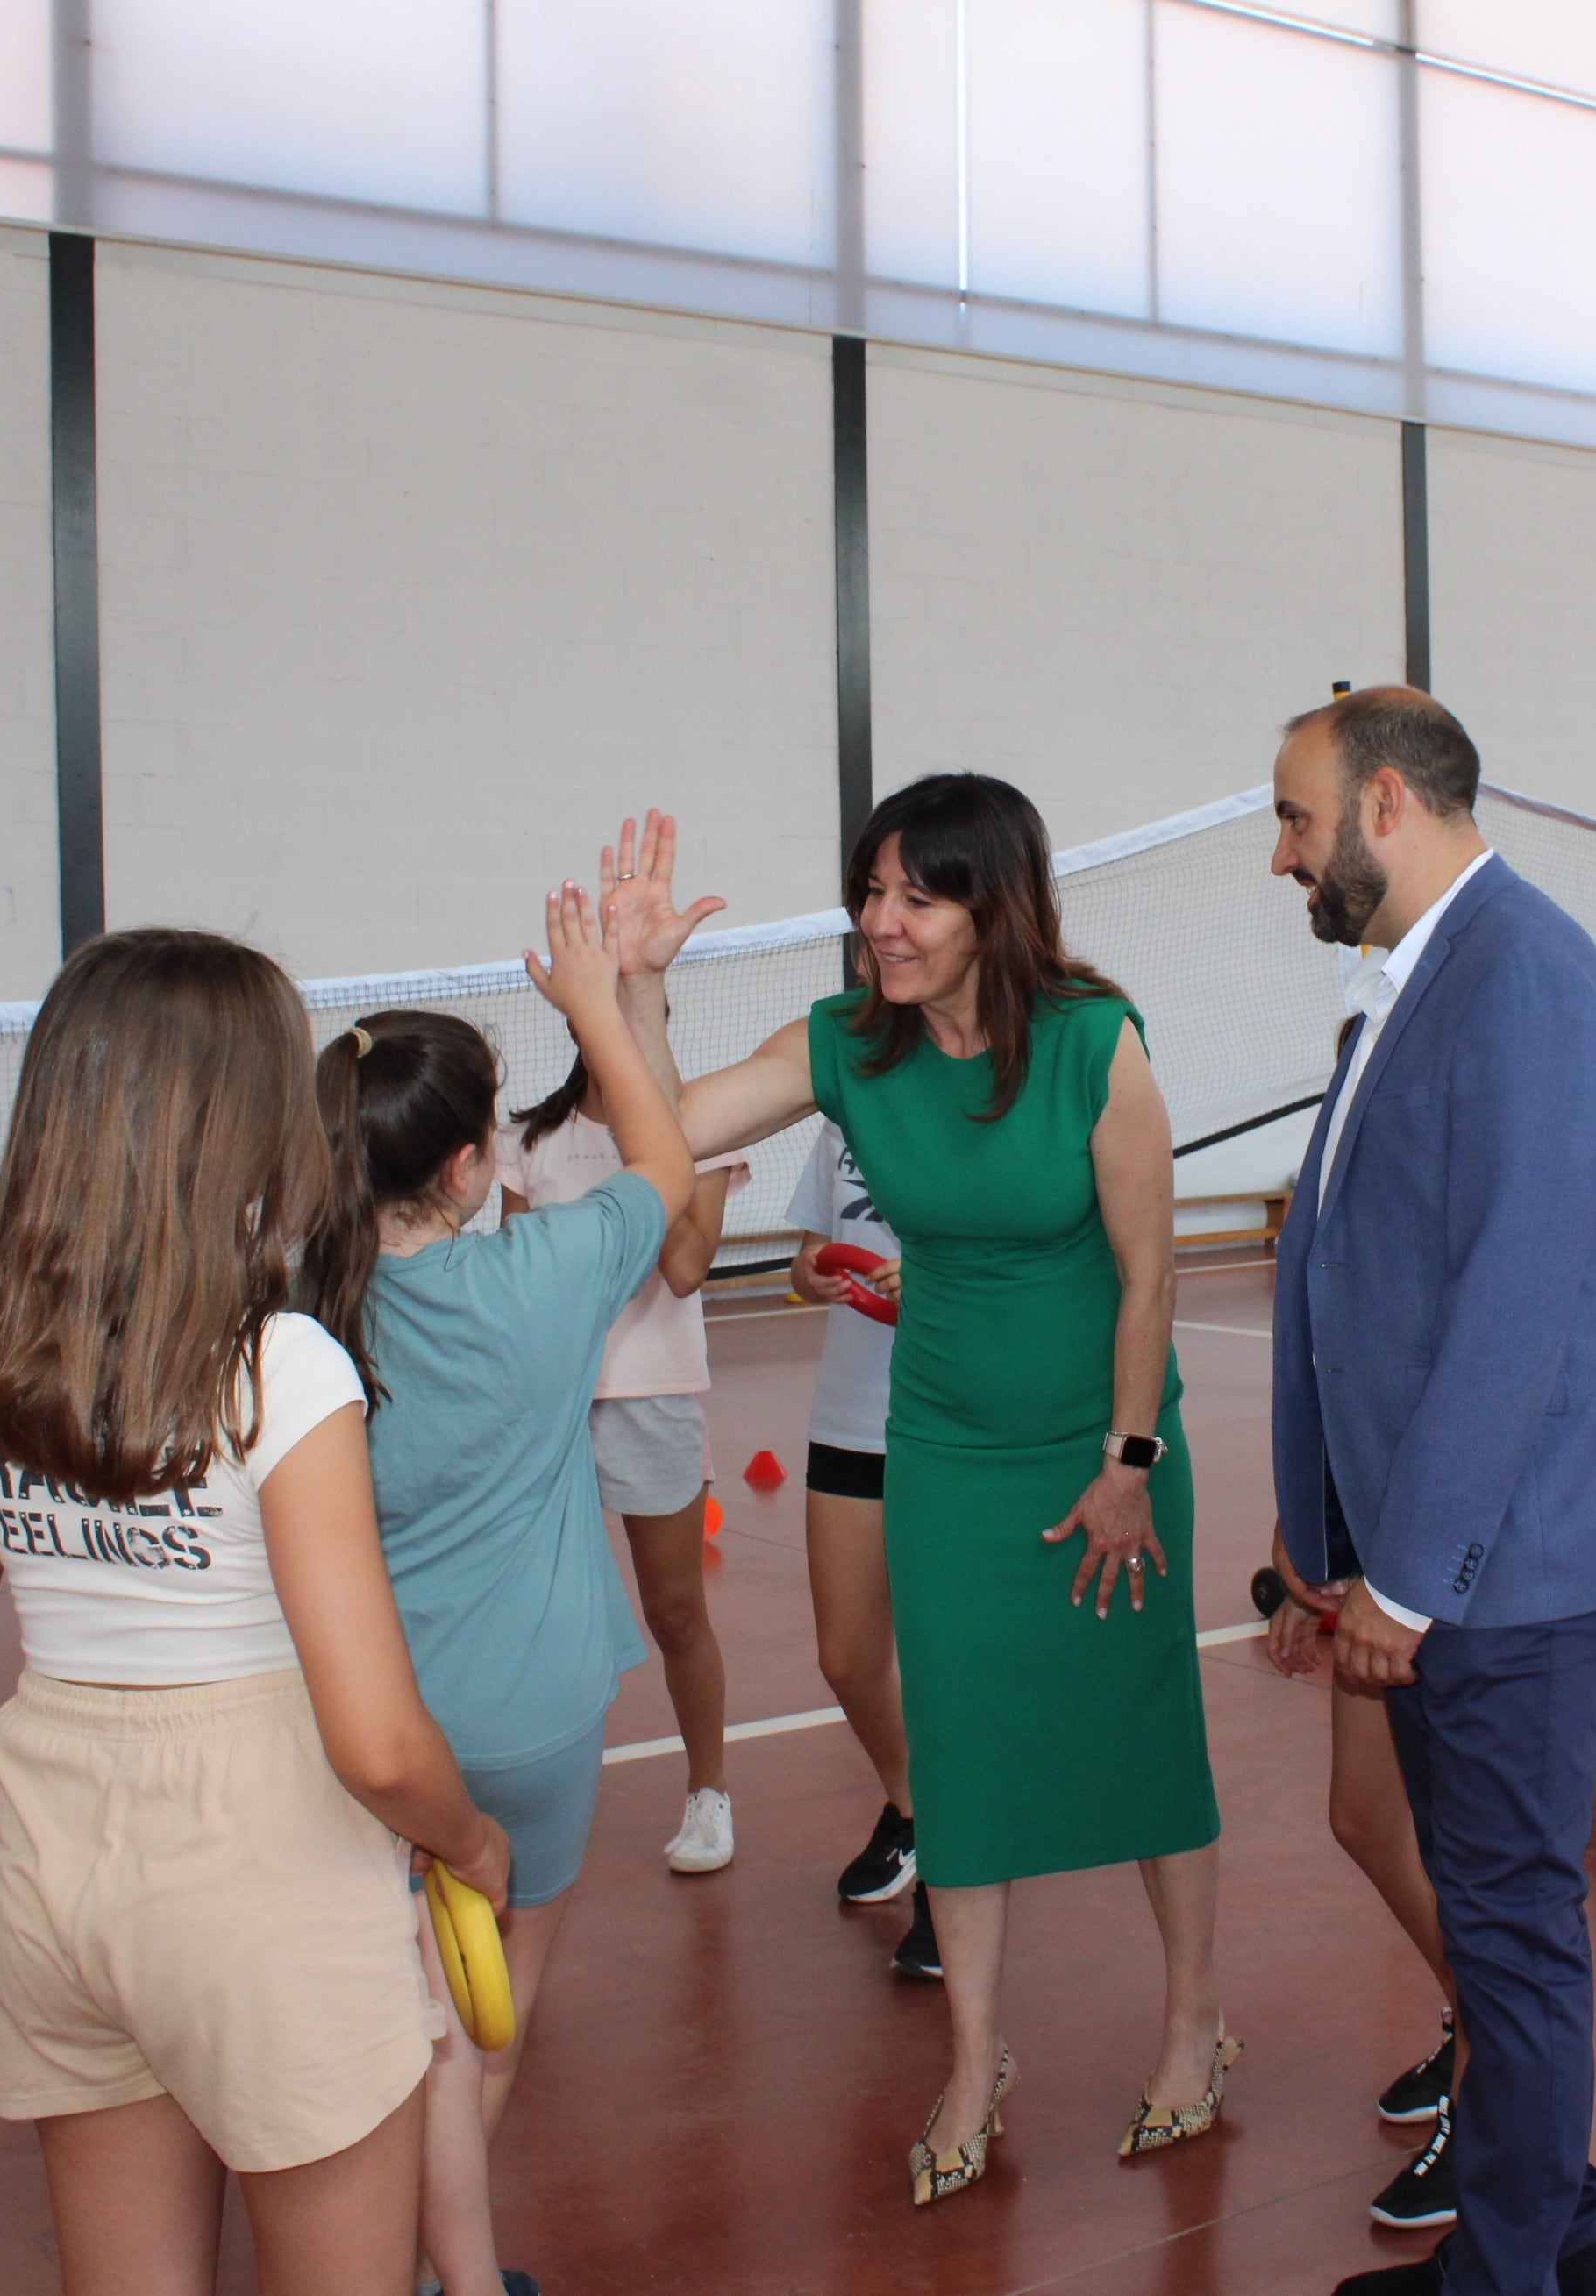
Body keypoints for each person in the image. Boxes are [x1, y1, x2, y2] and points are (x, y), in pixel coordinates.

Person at [0, 925, 511, 2296]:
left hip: (53, 1858)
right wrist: (471, 1842)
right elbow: (378, 1739)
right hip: (257, 1855)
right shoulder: (282, 1363)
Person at [673, 772, 1224, 2208]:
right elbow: (661, 1124)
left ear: (992, 903)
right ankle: (975, 2057)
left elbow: (1151, 1272)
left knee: (1139, 1737)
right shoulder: (850, 1045)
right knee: (962, 1756)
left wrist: (1124, 1465)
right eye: (869, 891)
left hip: (1100, 1446)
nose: (880, 922)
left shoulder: (1094, 1045)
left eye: (914, 894)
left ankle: (1188, 2025)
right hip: (946, 1449)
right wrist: (626, 990)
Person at [1266, 687, 1596, 2296]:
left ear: (1379, 807)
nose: (1276, 852)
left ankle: (1506, 2276)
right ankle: (1543, 2238)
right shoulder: (1412, 988)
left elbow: (1509, 1304)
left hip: (1514, 1571)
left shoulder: (1526, 980)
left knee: (1509, 1940)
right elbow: (1357, 1280)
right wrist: (1331, 1541)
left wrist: (1407, 1578)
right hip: (1450, 1563)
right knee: (1497, 1945)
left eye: (1293, 817)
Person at [296, 882, 693, 2295]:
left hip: (364, 1726)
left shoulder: (291, 1315)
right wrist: (603, 1003)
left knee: (380, 2008)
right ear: (472, 1165)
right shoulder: (551, 1275)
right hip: (531, 1720)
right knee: (488, 2005)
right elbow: (668, 1165)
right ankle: (441, 2268)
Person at [503, 1033, 750, 1876]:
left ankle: (709, 1795)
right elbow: (518, 1290)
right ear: (578, 1028)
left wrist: (661, 1151)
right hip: (552, 1406)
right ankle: (515, 1800)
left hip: (654, 1397)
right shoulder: (531, 1142)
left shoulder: (706, 1129)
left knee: (677, 1611)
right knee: (538, 1621)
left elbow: (684, 1267)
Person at [1265, 1552, 1466, 2235]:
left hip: (1467, 1561)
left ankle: (1494, 2095)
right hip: (1388, 1558)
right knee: (1364, 1817)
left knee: (1486, 1861)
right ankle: (1484, 2021)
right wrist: (1322, 1567)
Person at [786, 1115, 940, 1979]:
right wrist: (813, 1273)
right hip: (849, 1414)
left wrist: (939, 1276)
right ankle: (916, 1805)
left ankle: (955, 1873)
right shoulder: (842, 1122)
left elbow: (1026, 1263)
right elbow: (811, 1258)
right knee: (846, 1655)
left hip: (949, 1417)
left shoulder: (983, 1107)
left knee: (945, 1660)